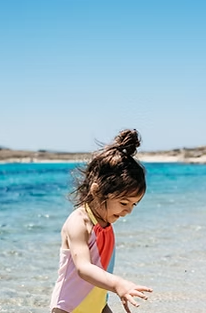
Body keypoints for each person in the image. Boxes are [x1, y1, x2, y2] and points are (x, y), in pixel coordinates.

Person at [50, 129, 153, 313]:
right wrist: (118, 284)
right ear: (97, 191)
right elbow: (84, 268)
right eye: (123, 202)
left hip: (97, 306)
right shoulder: (79, 222)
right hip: (68, 308)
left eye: (134, 205)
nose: (128, 210)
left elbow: (98, 279)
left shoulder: (106, 224)